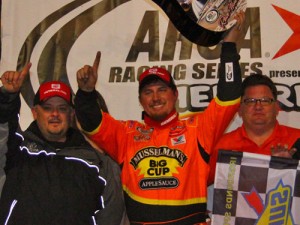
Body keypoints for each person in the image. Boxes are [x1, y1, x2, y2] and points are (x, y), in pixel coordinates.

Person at [74, 12, 245, 225]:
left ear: (175, 94)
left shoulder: (197, 128)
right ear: (140, 100)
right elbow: (92, 122)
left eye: (162, 89)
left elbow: (229, 97)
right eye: (148, 92)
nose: (155, 97)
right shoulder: (126, 133)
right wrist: (86, 92)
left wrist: (229, 48)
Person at [0, 65, 125, 225]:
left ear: (71, 114)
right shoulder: (16, 151)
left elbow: (111, 218)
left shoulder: (98, 163)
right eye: (47, 108)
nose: (55, 114)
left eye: (62, 108)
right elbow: (3, 128)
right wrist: (7, 98)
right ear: (34, 112)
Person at [208, 73, 300, 185]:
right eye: (250, 101)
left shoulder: (297, 140)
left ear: (277, 108)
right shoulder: (221, 147)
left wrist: (293, 167)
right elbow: (197, 187)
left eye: (265, 100)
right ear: (240, 109)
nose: (258, 106)